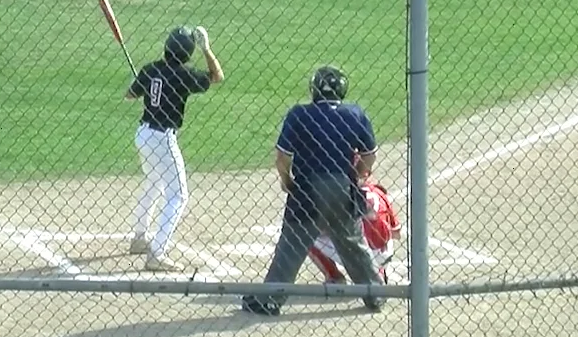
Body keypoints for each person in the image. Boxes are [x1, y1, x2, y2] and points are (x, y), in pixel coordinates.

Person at [241, 64, 385, 316]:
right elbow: (369, 156)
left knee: (292, 243)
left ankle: (270, 301)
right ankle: (374, 294)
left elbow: (282, 158)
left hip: (308, 187)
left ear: (314, 89)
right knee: (352, 242)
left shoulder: (299, 114)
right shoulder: (355, 113)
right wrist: (358, 174)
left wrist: (287, 180)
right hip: (342, 186)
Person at [125, 25, 224, 272]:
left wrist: (144, 82)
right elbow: (217, 76)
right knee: (178, 196)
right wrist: (207, 49)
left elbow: (130, 95)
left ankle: (139, 237)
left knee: (154, 181)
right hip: (162, 138)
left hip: (143, 134)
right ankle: (157, 253)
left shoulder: (150, 69)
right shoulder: (185, 75)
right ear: (187, 52)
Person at [309, 165, 402, 285]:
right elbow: (396, 233)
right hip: (383, 252)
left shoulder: (341, 194)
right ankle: (378, 270)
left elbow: (320, 229)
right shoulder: (379, 192)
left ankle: (334, 277)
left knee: (306, 234)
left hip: (354, 254)